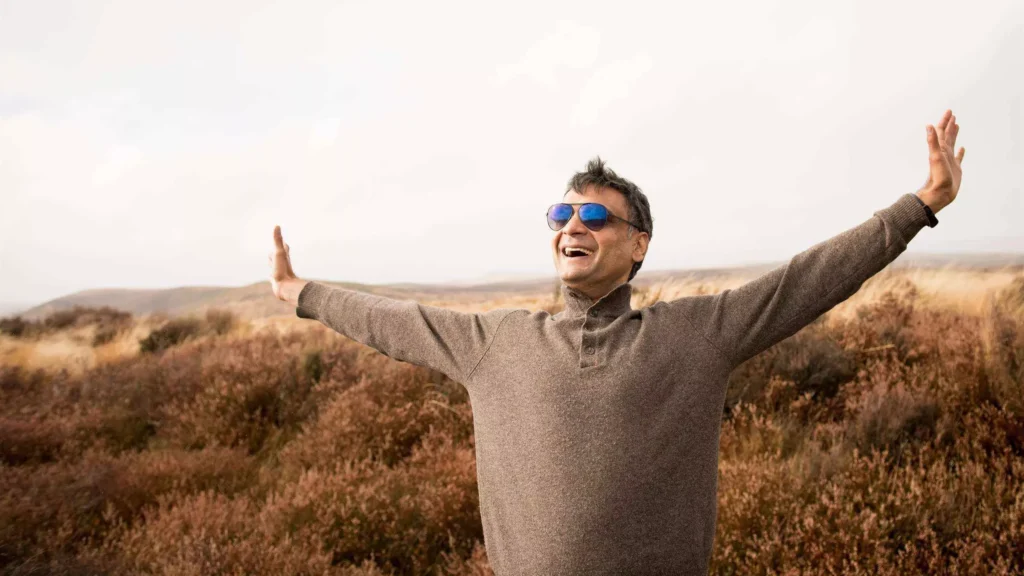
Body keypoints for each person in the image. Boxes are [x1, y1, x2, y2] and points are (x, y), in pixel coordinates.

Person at [267, 110, 965, 575]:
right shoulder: (496, 341)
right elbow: (391, 320)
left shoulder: (697, 335)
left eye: (595, 214)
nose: (573, 223)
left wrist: (920, 205)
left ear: (638, 245)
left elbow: (807, 281)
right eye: (562, 212)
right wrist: (301, 293)